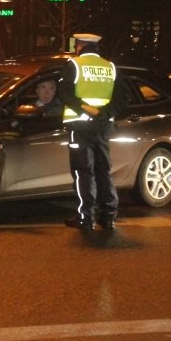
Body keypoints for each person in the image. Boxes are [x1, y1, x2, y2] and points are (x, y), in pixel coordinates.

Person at [57, 33, 128, 231]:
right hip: (103, 127)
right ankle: (108, 217)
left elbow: (65, 94)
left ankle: (85, 217)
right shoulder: (110, 67)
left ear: (80, 45)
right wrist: (104, 113)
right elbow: (123, 97)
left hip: (80, 126)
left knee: (83, 172)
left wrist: (85, 109)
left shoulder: (74, 65)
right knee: (103, 170)